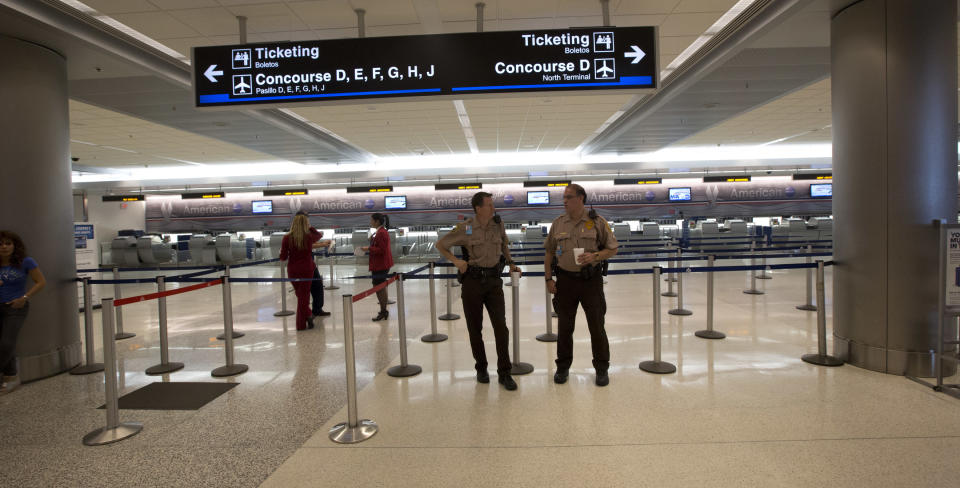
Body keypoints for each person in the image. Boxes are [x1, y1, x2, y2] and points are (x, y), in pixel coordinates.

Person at [436, 192, 521, 391]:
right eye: (489, 205)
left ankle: (505, 372)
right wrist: (457, 261)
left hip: (493, 280)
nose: (493, 208)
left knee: (501, 327)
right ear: (478, 208)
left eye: (492, 204)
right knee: (475, 328)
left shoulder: (498, 224)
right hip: (472, 281)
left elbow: (504, 245)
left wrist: (511, 263)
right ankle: (481, 368)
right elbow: (441, 245)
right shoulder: (466, 228)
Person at [544, 184, 618, 387]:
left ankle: (602, 368)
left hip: (590, 281)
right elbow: (550, 252)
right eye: (564, 198)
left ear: (581, 198)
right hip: (565, 281)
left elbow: (612, 248)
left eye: (569, 197)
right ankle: (563, 367)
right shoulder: (558, 224)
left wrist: (595, 256)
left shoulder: (597, 222)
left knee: (597, 326)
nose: (565, 201)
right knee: (565, 327)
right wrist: (548, 278)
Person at [0, 231, 46, 394]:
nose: (4, 247)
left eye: (8, 243)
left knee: (6, 343)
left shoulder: (26, 262)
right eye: (0, 244)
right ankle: (10, 377)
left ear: (14, 245)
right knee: (3, 344)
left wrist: (25, 297)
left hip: (15, 307)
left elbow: (41, 282)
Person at [280, 214, 333, 331]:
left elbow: (283, 257)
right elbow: (319, 235)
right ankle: (303, 321)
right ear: (306, 224)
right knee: (303, 297)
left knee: (301, 296)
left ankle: (305, 319)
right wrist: (310, 227)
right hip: (306, 269)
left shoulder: (286, 238)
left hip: (293, 270)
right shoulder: (309, 237)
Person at [295, 211, 331, 319]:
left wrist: (323, 244)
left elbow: (310, 243)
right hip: (302, 265)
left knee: (318, 285)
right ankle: (306, 313)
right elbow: (306, 245)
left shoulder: (305, 232)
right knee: (306, 290)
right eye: (306, 220)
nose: (308, 223)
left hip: (310, 263)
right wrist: (322, 243)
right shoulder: (297, 233)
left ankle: (317, 309)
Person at [360, 213, 393, 321]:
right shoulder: (379, 232)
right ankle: (383, 310)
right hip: (380, 264)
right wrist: (371, 243)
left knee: (379, 287)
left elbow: (382, 250)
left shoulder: (381, 233)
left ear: (377, 221)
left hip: (380, 265)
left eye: (371, 220)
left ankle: (383, 311)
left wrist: (368, 249)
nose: (370, 222)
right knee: (379, 287)